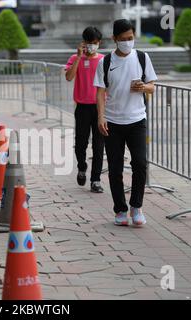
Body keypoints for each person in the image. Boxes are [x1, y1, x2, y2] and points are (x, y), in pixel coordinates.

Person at [94, 19, 157, 226]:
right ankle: (120, 210)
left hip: (137, 119)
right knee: (115, 168)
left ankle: (136, 207)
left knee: (140, 163)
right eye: (123, 39)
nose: (128, 43)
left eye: (130, 38)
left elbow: (153, 86)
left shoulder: (142, 57)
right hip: (113, 122)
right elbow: (101, 91)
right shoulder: (105, 62)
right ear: (114, 39)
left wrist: (144, 88)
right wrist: (101, 117)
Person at [65, 26, 105, 193]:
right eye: (89, 43)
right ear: (83, 43)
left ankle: (95, 180)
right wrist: (79, 57)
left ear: (99, 43)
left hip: (100, 108)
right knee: (80, 144)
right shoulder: (76, 58)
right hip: (82, 107)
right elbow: (69, 77)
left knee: (99, 145)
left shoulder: (104, 60)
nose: (91, 46)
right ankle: (82, 167)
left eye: (94, 43)